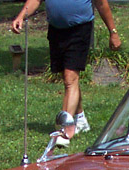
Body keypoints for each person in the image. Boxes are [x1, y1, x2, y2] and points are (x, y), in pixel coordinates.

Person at [11, 0, 120, 141]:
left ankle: (64, 131)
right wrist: (21, 17)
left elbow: (101, 4)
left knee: (70, 79)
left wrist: (113, 32)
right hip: (56, 31)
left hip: (79, 29)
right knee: (68, 79)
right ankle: (80, 119)